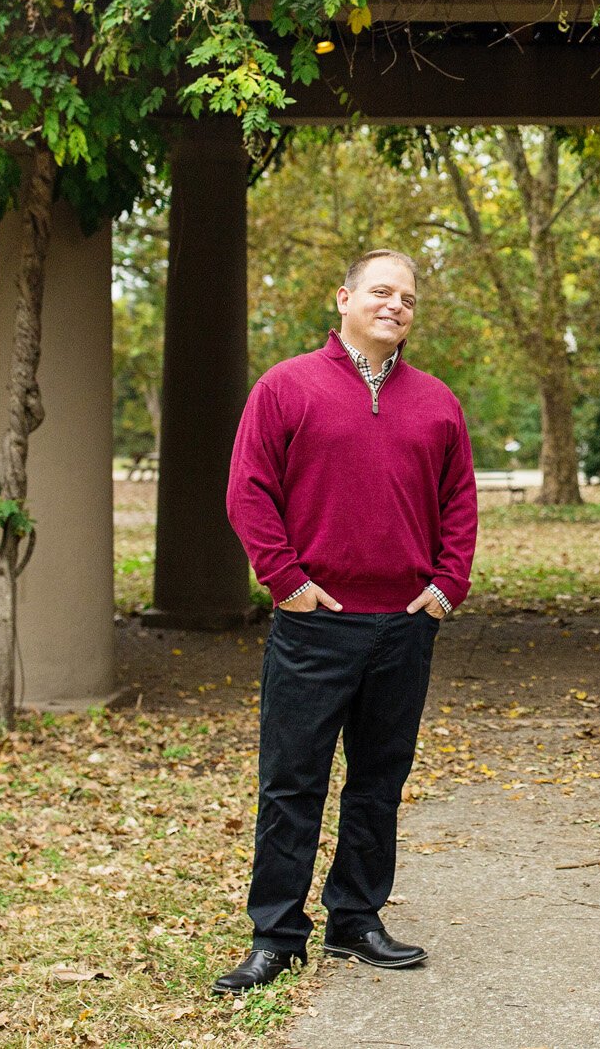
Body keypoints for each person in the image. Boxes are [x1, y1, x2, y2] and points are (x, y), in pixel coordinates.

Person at [213, 249, 479, 996]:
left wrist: (446, 585)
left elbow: (459, 501)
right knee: (292, 782)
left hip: (403, 623)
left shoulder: (437, 401)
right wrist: (287, 580)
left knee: (377, 781)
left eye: (409, 298)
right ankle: (276, 934)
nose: (396, 305)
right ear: (344, 297)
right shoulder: (286, 386)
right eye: (382, 291)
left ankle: (356, 918)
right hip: (314, 626)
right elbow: (248, 491)